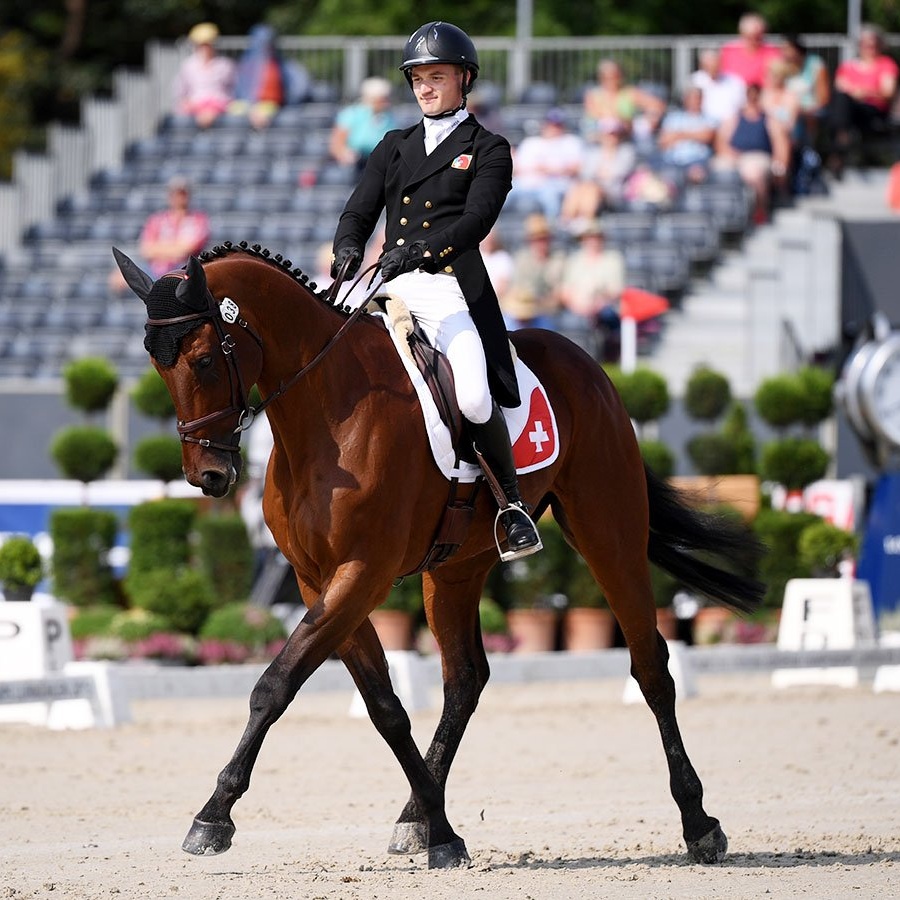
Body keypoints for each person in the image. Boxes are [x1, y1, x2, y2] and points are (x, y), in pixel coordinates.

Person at [330, 21, 541, 560]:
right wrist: (347, 247)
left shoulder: (489, 148)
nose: (424, 88)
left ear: (464, 79)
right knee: (320, 349)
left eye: (436, 76)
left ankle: (511, 505)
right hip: (387, 280)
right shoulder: (393, 145)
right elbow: (360, 208)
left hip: (448, 285)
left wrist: (420, 253)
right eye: (417, 78)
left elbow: (476, 223)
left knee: (472, 394)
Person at [713, 83, 791, 224]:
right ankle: (721, 213)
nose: (752, 99)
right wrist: (732, 154)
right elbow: (721, 141)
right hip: (734, 156)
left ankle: (759, 211)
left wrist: (781, 166)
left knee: (753, 173)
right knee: (720, 168)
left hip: (758, 157)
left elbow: (780, 144)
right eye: (750, 95)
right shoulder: (735, 117)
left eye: (755, 95)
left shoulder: (768, 118)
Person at [828, 24, 899, 176]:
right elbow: (840, 88)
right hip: (850, 112)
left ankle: (839, 148)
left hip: (874, 111)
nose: (869, 48)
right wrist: (857, 93)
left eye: (873, 45)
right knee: (840, 101)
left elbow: (888, 92)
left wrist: (863, 92)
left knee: (841, 107)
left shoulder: (886, 64)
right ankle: (842, 141)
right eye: (865, 45)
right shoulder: (847, 66)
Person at [556, 219, 626, 360]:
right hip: (576, 308)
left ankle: (608, 358)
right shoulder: (574, 260)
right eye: (590, 237)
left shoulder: (613, 259)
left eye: (597, 236)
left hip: (603, 307)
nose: (593, 240)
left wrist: (597, 304)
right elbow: (564, 290)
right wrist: (578, 306)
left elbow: (616, 290)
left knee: (609, 318)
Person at [228, 24, 311, 129]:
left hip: (270, 104)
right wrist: (252, 109)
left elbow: (297, 90)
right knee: (233, 111)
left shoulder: (283, 66)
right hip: (249, 105)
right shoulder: (247, 65)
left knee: (264, 111)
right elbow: (240, 92)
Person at [508, 107, 585, 219]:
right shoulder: (531, 142)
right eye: (551, 124)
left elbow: (577, 168)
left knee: (550, 197)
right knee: (501, 191)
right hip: (524, 183)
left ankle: (552, 225)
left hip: (554, 184)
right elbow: (516, 167)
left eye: (557, 125)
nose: (554, 128)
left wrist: (549, 169)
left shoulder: (571, 142)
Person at [559, 119, 636, 227]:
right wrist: (601, 174)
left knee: (592, 190)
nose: (611, 138)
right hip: (593, 185)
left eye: (614, 134)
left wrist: (601, 174)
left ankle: (585, 222)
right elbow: (586, 173)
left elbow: (619, 173)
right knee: (578, 188)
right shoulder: (594, 152)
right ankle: (566, 222)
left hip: (614, 193)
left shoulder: (626, 152)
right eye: (608, 134)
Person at [138, 176, 211, 278]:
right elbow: (146, 250)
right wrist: (175, 248)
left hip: (184, 271)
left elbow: (187, 250)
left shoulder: (199, 219)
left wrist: (160, 249)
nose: (179, 198)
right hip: (155, 271)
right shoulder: (156, 220)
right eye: (176, 194)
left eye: (182, 194)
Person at [501, 214, 564, 331]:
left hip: (544, 311)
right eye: (536, 239)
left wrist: (538, 303)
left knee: (546, 328)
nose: (541, 243)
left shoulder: (557, 259)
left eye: (544, 238)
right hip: (520, 309)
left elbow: (557, 295)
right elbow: (515, 288)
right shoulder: (522, 259)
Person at [581, 58, 667, 141]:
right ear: (601, 77)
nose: (612, 79)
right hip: (599, 136)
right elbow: (596, 115)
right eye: (607, 76)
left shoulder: (630, 92)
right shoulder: (593, 94)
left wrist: (651, 118)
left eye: (615, 75)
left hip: (626, 135)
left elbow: (658, 105)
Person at [172, 22, 236, 129]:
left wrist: (213, 109)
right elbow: (180, 92)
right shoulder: (188, 65)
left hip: (220, 108)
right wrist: (191, 106)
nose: (205, 48)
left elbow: (232, 91)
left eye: (208, 44)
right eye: (202, 45)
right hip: (193, 109)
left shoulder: (225, 65)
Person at [328, 77, 398, 174]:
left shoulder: (390, 117)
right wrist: (346, 155)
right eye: (383, 98)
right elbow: (337, 145)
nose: (387, 102)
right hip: (356, 164)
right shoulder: (351, 114)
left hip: (382, 163)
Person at [655, 85, 717, 182]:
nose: (695, 101)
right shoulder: (673, 117)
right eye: (692, 97)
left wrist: (678, 135)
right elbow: (664, 141)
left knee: (697, 174)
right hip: (672, 161)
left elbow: (707, 136)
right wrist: (693, 135)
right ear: (686, 99)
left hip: (697, 160)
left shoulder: (708, 118)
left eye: (697, 98)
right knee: (666, 178)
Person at [719, 12, 782, 89]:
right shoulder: (730, 50)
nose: (754, 40)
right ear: (742, 34)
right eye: (750, 36)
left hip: (761, 94)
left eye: (758, 36)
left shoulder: (772, 52)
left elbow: (776, 80)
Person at [690, 48, 746, 127]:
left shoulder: (734, 81)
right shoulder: (695, 81)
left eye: (715, 65)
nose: (712, 68)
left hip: (729, 124)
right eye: (708, 66)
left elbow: (741, 106)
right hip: (701, 124)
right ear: (702, 66)